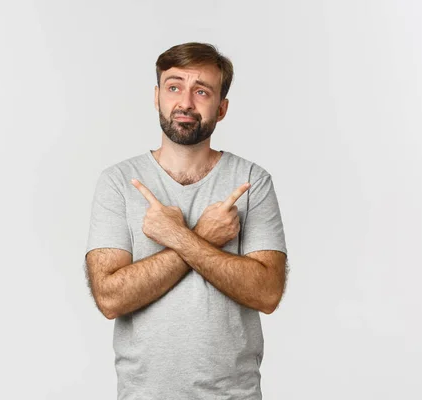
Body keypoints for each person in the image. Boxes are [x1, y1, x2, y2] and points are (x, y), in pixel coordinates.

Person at [84, 42, 289, 399]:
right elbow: (110, 298)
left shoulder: (252, 181)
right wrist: (202, 236)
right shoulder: (118, 181)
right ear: (157, 96)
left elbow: (267, 293)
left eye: (202, 92)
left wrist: (179, 236)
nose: (186, 103)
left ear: (222, 108)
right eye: (174, 87)